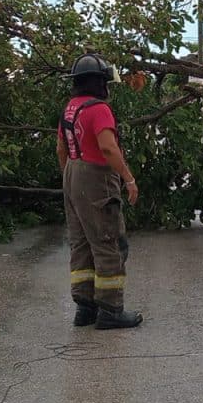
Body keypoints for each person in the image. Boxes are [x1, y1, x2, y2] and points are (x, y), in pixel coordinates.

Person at [56, 53, 143, 330]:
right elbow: (108, 148)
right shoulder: (99, 109)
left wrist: (71, 179)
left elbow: (61, 149)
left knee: (81, 243)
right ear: (100, 82)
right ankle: (110, 310)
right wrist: (128, 179)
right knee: (108, 242)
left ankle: (85, 309)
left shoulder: (70, 108)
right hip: (96, 177)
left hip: (72, 172)